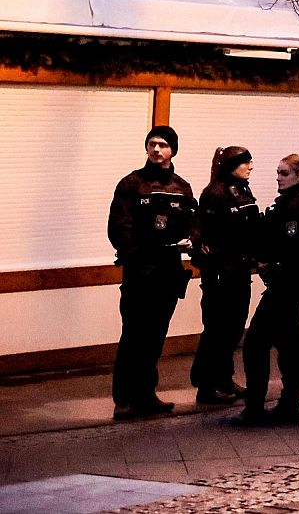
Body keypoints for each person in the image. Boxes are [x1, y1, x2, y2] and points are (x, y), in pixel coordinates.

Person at [108, 126, 197, 420]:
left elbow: (192, 223)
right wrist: (138, 258)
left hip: (168, 272)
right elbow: (119, 228)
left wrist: (191, 241)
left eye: (163, 145)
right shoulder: (131, 184)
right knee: (133, 334)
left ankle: (146, 395)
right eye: (152, 144)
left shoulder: (181, 187)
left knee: (156, 336)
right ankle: (123, 399)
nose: (156, 149)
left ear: (173, 150)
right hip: (139, 272)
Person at [234, 155, 299, 427]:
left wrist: (267, 264)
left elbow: (291, 248)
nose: (278, 177)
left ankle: (256, 406)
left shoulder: (296, 206)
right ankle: (289, 403)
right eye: (277, 172)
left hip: (287, 283)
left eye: (284, 173)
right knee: (289, 341)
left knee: (256, 343)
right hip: (295, 282)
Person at [191, 146, 259, 405]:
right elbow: (205, 235)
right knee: (217, 329)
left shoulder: (242, 190)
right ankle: (205, 385)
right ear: (232, 165)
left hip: (240, 270)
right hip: (220, 272)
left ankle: (224, 378)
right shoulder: (215, 193)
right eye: (246, 163)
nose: (250, 167)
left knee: (233, 328)